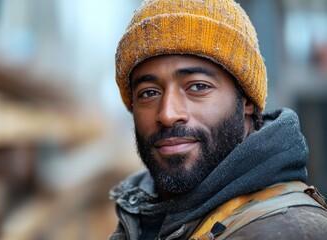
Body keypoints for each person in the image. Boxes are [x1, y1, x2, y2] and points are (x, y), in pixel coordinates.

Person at [109, 0, 327, 239]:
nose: (168, 114)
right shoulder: (146, 218)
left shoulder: (289, 230)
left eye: (198, 86)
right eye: (149, 92)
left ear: (247, 101)